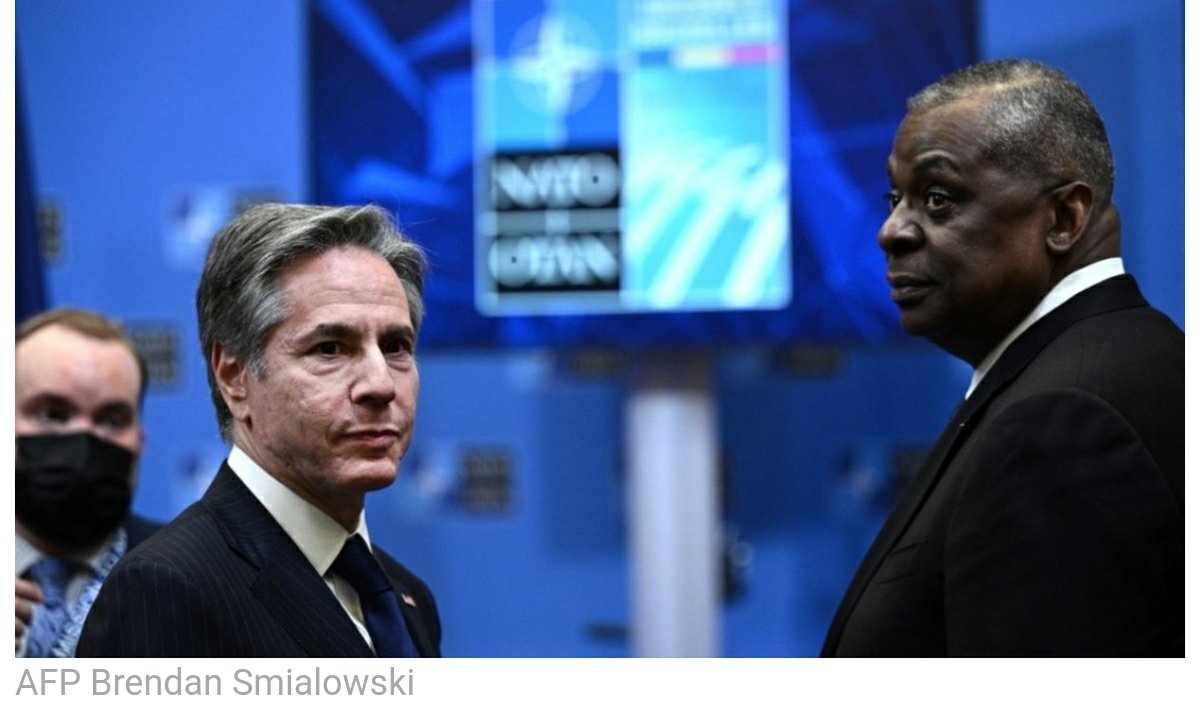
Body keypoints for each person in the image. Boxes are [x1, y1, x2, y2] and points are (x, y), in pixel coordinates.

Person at [821, 59, 1183, 656]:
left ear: (1064, 218)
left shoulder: (1060, 424)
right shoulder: (1122, 358)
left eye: (938, 199)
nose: (891, 231)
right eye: (895, 197)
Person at [76, 203, 442, 657]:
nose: (381, 384)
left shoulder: (408, 597)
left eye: (395, 346)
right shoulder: (165, 588)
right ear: (234, 377)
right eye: (330, 348)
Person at [15, 307, 161, 657]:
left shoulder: (198, 577)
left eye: (112, 420)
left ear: (139, 440)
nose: (84, 442)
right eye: (51, 414)